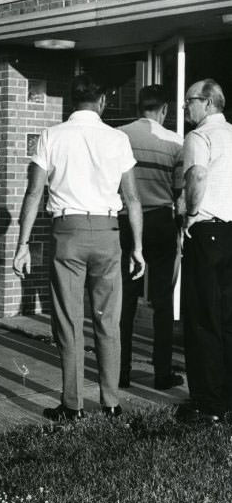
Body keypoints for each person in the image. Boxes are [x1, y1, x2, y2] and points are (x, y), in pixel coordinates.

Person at [13, 74, 145, 421]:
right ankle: (111, 402)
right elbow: (132, 198)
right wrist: (138, 247)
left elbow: (33, 193)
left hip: (67, 233)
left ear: (73, 101)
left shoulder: (51, 136)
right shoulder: (117, 138)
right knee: (108, 321)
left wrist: (22, 244)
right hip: (107, 232)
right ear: (102, 101)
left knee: (69, 322)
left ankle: (72, 405)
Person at [117, 85, 184, 390]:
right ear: (165, 109)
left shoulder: (120, 136)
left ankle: (121, 371)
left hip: (126, 222)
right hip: (160, 221)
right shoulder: (174, 142)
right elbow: (179, 192)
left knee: (125, 299)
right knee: (162, 300)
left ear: (137, 106)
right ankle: (162, 372)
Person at [177, 79, 232, 424]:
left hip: (208, 230)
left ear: (208, 103)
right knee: (228, 318)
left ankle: (209, 404)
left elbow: (196, 176)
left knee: (202, 318)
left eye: (189, 101)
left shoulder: (198, 137)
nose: (185, 107)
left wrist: (191, 216)